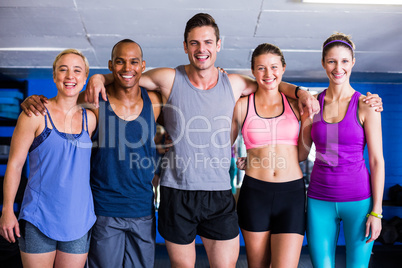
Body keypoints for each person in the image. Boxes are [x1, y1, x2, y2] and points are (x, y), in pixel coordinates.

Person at [85, 13, 319, 268]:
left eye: (208, 42)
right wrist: (99, 77)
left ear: (218, 45)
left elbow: (270, 82)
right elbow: (127, 75)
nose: (201, 49)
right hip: (177, 192)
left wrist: (299, 91)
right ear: (185, 47)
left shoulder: (234, 83)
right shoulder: (168, 78)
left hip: (218, 194)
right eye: (194, 43)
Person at [20, 39, 163, 268]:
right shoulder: (93, 103)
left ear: (143, 65)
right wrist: (31, 101)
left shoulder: (155, 102)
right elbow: (63, 100)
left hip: (142, 209)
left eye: (134, 62)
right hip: (104, 209)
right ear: (110, 64)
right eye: (119, 62)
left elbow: (183, 88)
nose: (127, 68)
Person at [0, 49, 97, 268]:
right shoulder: (34, 115)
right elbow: (15, 165)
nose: (70, 76)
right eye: (63, 70)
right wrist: (7, 210)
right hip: (39, 217)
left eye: (77, 71)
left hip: (78, 220)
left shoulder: (89, 119)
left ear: (84, 79)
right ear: (54, 77)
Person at [299, 33, 385, 268]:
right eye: (332, 61)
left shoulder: (367, 106)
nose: (338, 68)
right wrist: (256, 157)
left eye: (345, 61)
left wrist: (376, 212)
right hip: (319, 201)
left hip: (358, 201)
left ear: (353, 62)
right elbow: (299, 154)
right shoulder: (313, 106)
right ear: (323, 62)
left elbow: (377, 161)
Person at [231, 43, 310, 268]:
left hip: (291, 194)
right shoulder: (241, 106)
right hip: (255, 194)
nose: (268, 74)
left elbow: (303, 154)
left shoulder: (297, 106)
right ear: (253, 71)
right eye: (261, 68)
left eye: (274, 67)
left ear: (283, 68)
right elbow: (221, 145)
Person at [152, 124, 166, 209]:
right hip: (154, 166)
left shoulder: (160, 144)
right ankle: (155, 202)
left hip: (159, 166)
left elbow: (162, 151)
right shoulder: (154, 143)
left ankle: (157, 202)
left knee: (157, 185)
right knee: (154, 185)